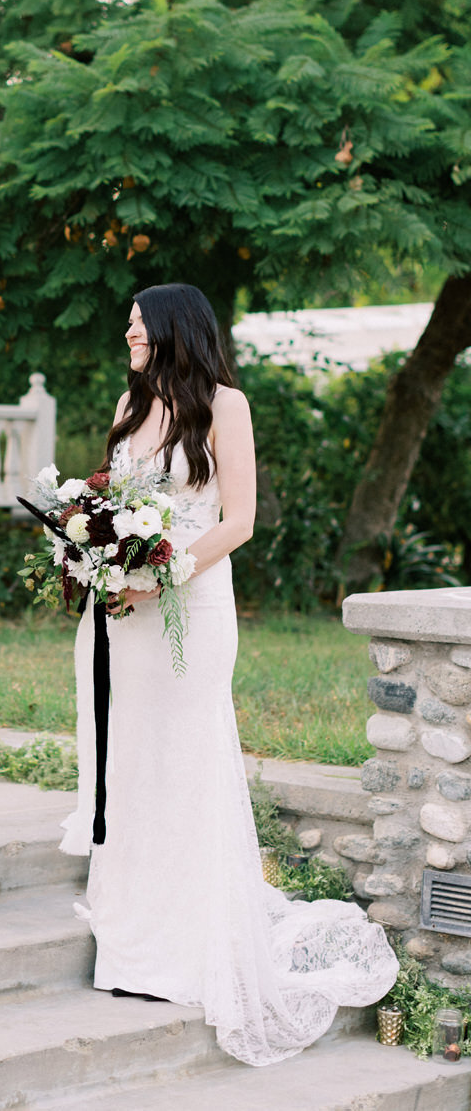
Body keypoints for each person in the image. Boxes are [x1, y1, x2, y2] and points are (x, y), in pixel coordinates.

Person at [61, 282, 398, 1066]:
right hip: (122, 619)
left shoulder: (226, 406)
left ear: (176, 329)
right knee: (131, 765)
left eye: (139, 326)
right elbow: (111, 501)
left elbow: (237, 519)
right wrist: (94, 554)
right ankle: (131, 945)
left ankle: (189, 945)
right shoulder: (125, 404)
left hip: (193, 610)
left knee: (187, 763)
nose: (127, 334)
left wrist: (162, 573)